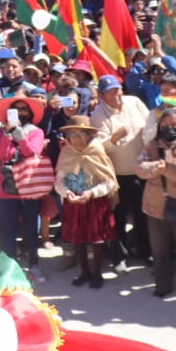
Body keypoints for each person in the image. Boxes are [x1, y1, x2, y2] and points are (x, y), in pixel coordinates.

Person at [137, 108, 176, 298]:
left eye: (174, 125)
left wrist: (167, 170)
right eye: (164, 125)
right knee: (159, 248)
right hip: (155, 204)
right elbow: (139, 167)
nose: (169, 128)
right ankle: (163, 284)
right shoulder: (152, 145)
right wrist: (154, 167)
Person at [89, 74, 150, 268]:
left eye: (118, 90)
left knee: (143, 215)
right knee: (119, 216)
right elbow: (98, 147)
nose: (116, 94)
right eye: (111, 92)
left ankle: (145, 251)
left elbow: (150, 126)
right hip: (118, 175)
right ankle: (120, 256)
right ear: (101, 95)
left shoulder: (134, 102)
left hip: (142, 170)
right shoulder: (98, 114)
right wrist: (114, 138)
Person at [53, 116, 119, 288]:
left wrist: (92, 192)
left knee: (97, 239)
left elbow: (109, 182)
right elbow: (59, 180)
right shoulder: (66, 153)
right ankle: (84, 272)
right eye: (72, 135)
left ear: (89, 136)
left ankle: (97, 273)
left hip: (95, 202)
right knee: (77, 238)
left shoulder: (97, 151)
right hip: (73, 202)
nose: (76, 139)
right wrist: (67, 192)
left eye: (81, 134)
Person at [0, 96, 51, 282]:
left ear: (30, 113)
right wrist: (8, 134)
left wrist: (18, 133)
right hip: (7, 188)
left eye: (23, 109)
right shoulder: (2, 132)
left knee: (31, 229)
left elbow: (31, 152)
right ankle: (11, 268)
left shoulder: (36, 131)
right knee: (7, 230)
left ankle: (34, 265)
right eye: (15, 109)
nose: (20, 112)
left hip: (29, 187)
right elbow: (1, 154)